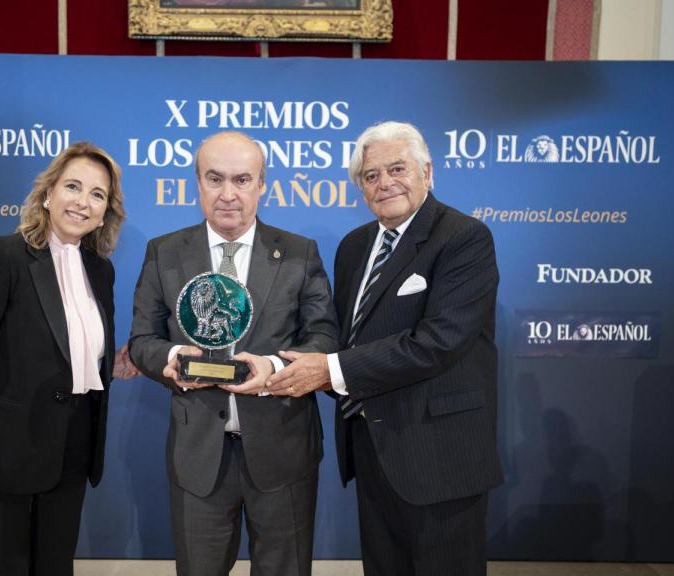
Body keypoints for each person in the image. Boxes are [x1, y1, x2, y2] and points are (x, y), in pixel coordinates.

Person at [266, 121, 503, 575]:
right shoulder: (355, 246)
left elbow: (437, 344)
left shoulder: (463, 237)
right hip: (373, 445)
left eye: (397, 168)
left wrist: (328, 371)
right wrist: (277, 363)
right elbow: (343, 336)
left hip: (440, 455)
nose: (384, 183)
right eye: (371, 175)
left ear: (427, 172)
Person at [129, 131, 338, 576]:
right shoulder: (164, 252)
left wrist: (276, 368)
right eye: (214, 178)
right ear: (196, 183)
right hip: (198, 456)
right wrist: (170, 360)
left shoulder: (300, 254)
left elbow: (323, 339)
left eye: (242, 180)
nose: (228, 194)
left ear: (262, 184)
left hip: (283, 450)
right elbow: (142, 340)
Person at [0, 141, 132, 576]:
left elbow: (78, 346)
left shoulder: (100, 270)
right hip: (3, 445)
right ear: (48, 194)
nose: (83, 202)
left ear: (106, 212)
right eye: (73, 186)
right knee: (0, 565)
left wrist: (111, 362)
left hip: (73, 443)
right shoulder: (4, 255)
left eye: (97, 194)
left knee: (54, 564)